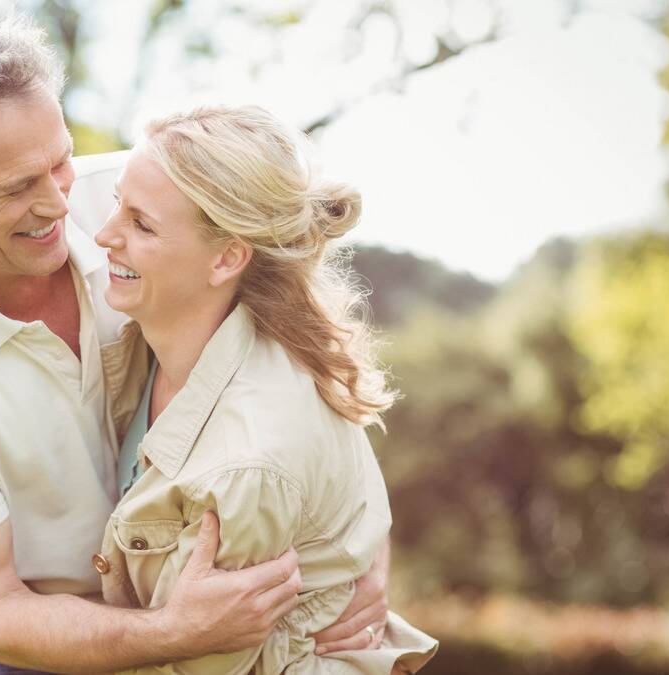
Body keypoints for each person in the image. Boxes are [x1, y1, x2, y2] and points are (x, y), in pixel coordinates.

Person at [0, 16, 392, 674]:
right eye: (18, 187)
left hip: (171, 610)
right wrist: (173, 630)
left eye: (61, 160)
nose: (61, 204)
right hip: (2, 650)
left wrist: (359, 545)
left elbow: (290, 335)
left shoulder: (139, 195)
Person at [91, 105, 439, 674]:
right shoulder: (177, 340)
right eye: (115, 206)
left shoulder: (244, 467)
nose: (103, 235)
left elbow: (189, 665)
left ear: (227, 256)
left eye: (142, 224)